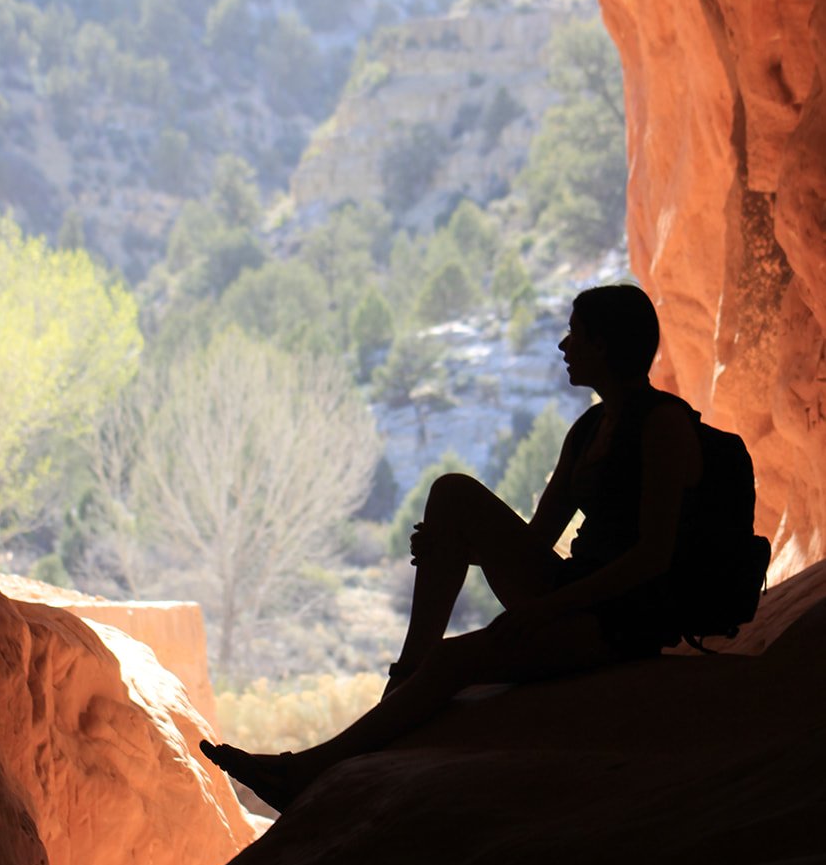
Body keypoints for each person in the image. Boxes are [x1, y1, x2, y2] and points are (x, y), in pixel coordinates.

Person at [202, 284, 703, 811]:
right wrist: (453, 545)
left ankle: (304, 771)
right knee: (452, 495)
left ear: (604, 345)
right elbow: (535, 542)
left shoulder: (662, 426)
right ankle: (405, 675)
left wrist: (545, 609)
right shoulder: (590, 429)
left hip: (623, 620)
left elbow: (653, 557)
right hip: (576, 595)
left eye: (576, 334)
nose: (562, 345)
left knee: (453, 661)